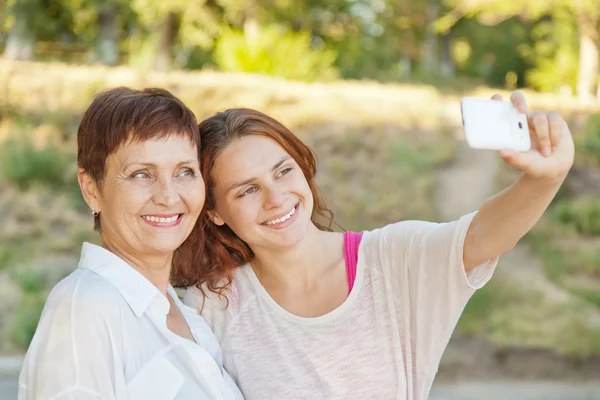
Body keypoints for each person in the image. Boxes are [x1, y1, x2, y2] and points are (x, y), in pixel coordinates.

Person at [178, 92, 575, 400]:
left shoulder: (391, 259)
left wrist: (544, 179)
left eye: (284, 171)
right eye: (248, 189)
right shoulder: (210, 307)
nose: (277, 197)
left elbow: (483, 236)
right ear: (213, 211)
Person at [19, 87, 243, 400]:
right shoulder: (84, 309)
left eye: (185, 172)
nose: (168, 196)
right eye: (141, 174)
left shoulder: (189, 316)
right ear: (91, 189)